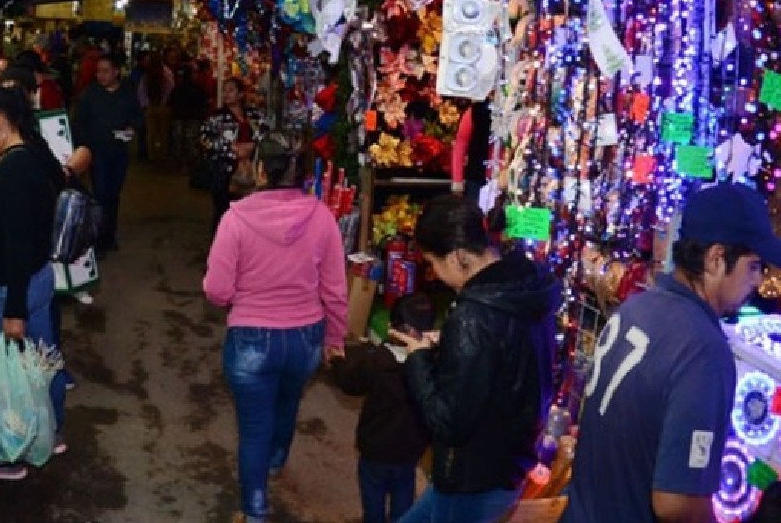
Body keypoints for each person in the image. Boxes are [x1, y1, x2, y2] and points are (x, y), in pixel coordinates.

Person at [561, 183, 781, 523]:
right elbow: (677, 503)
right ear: (715, 259)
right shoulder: (703, 350)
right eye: (753, 266)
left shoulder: (637, 307)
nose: (757, 281)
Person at [203, 132, 348, 523]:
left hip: (251, 341)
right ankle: (277, 460)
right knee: (288, 402)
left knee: (254, 429)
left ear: (261, 171)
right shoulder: (322, 217)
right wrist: (335, 338)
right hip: (305, 339)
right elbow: (335, 290)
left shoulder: (236, 219)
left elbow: (217, 291)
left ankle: (255, 512)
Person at [389, 195, 558, 523]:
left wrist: (418, 358)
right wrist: (452, 346)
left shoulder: (473, 317)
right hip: (506, 465)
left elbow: (446, 420)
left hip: (472, 479)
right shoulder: (525, 286)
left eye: (434, 264)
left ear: (458, 257)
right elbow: (504, 357)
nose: (435, 275)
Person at [0, 85, 69, 471]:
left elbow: (17, 244)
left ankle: (11, 454)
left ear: (0, 122)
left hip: (11, 287)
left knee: (9, 376)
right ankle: (50, 431)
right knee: (41, 363)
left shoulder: (13, 172)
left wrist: (13, 311)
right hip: (35, 279)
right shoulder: (31, 156)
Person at [329, 295, 433, 523]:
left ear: (390, 327)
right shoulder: (432, 367)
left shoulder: (376, 361)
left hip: (375, 448)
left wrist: (336, 360)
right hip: (409, 450)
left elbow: (350, 382)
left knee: (373, 493)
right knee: (404, 490)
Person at [72, 54, 141, 256]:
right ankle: (99, 240)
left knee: (113, 195)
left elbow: (138, 117)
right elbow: (79, 123)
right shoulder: (90, 95)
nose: (101, 75)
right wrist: (84, 148)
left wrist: (131, 129)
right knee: (100, 195)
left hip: (119, 152)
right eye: (98, 71)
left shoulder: (127, 94)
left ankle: (110, 236)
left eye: (105, 71)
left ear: (116, 72)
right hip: (97, 153)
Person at [200, 78, 267, 233]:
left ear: (240, 94)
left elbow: (265, 134)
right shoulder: (217, 117)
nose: (226, 94)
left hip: (251, 170)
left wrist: (252, 146)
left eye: (230, 90)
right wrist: (231, 149)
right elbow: (205, 140)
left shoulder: (254, 115)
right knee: (224, 211)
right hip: (224, 171)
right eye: (224, 90)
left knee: (248, 212)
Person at [140, 51, 175, 162]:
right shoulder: (166, 72)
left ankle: (152, 156)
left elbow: (141, 91)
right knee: (163, 133)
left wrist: (146, 104)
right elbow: (170, 88)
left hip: (151, 106)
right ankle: (162, 155)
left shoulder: (147, 74)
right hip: (163, 107)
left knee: (151, 134)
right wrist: (164, 102)